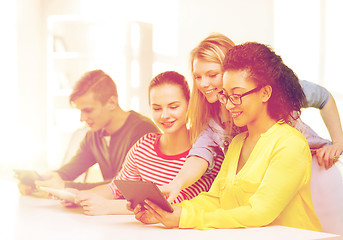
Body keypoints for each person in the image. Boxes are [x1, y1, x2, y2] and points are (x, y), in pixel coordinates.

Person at [131, 42, 323, 231]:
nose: (229, 105)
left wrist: (184, 218)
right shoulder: (237, 143)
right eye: (225, 96)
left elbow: (259, 212)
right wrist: (166, 212)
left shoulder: (290, 144)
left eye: (237, 95)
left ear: (265, 92)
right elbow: (216, 199)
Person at [162, 33, 343, 203]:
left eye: (212, 75)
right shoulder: (214, 121)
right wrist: (176, 184)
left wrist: (338, 143)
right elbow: (200, 155)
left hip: (320, 167)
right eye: (197, 77)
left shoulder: (274, 90)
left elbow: (324, 97)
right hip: (279, 181)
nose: (203, 84)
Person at [62, 71, 224, 216]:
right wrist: (79, 197)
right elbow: (115, 188)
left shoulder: (205, 156)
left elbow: (174, 205)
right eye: (157, 108)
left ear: (190, 105)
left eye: (173, 106)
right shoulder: (144, 145)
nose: (164, 115)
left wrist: (108, 207)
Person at [18, 69, 159, 194]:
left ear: (111, 102)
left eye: (88, 110)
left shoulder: (143, 131)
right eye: (80, 111)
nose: (82, 118)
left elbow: (125, 185)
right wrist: (39, 182)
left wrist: (64, 186)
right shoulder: (94, 135)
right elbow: (67, 172)